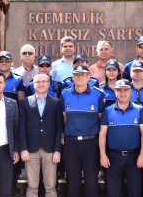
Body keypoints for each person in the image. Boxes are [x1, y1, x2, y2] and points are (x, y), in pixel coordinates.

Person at [99, 79, 143, 197]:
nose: (122, 93)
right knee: (113, 192)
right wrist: (103, 155)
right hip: (113, 157)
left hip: (134, 157)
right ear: (115, 91)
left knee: (135, 192)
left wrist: (142, 155)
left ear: (130, 91)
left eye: (125, 90)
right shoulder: (108, 110)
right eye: (119, 90)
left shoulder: (139, 109)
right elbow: (102, 134)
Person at [61, 65, 104, 197]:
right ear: (73, 77)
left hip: (90, 143)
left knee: (92, 182)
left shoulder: (98, 94)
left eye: (83, 74)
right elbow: (64, 118)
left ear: (88, 77)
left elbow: (101, 119)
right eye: (77, 74)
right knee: (72, 183)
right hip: (71, 144)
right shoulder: (65, 93)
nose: (79, 77)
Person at [18, 73, 62, 197]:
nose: (41, 84)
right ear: (33, 84)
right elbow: (21, 127)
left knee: (50, 187)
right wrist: (23, 149)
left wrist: (57, 150)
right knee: (32, 186)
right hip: (31, 150)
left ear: (49, 84)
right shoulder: (26, 102)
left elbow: (59, 128)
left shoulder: (56, 103)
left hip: (50, 151)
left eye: (44, 81)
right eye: (37, 82)